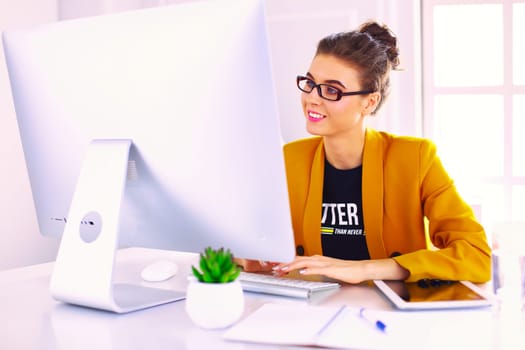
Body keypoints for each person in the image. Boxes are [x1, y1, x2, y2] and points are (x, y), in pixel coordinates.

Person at [238, 21, 491, 284]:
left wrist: (365, 269)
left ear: (370, 102)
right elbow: (241, 236)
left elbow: (477, 256)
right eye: (310, 83)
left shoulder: (415, 158)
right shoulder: (290, 159)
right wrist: (247, 255)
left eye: (331, 90)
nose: (312, 97)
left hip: (391, 316)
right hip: (312, 312)